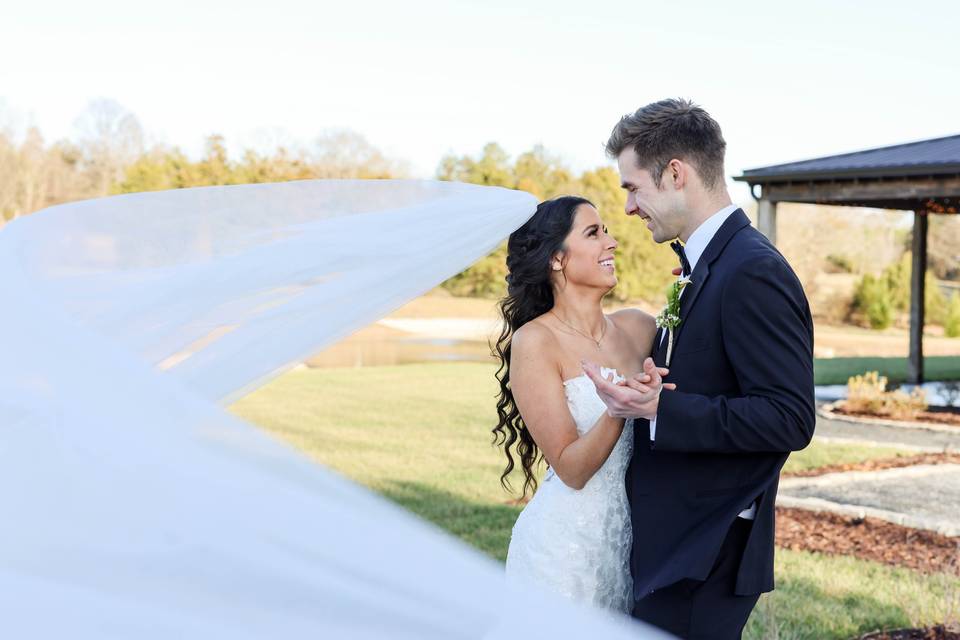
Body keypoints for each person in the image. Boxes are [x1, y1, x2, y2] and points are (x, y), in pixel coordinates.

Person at [581, 98, 816, 638]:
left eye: (633, 188)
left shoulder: (752, 270)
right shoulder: (708, 263)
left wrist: (662, 408)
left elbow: (789, 417)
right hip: (679, 545)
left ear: (676, 173)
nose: (630, 208)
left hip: (706, 549)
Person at [493, 195, 669, 613]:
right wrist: (618, 409)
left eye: (607, 231)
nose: (611, 243)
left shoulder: (639, 328)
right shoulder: (536, 342)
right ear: (556, 258)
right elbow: (571, 469)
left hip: (626, 544)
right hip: (561, 552)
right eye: (594, 233)